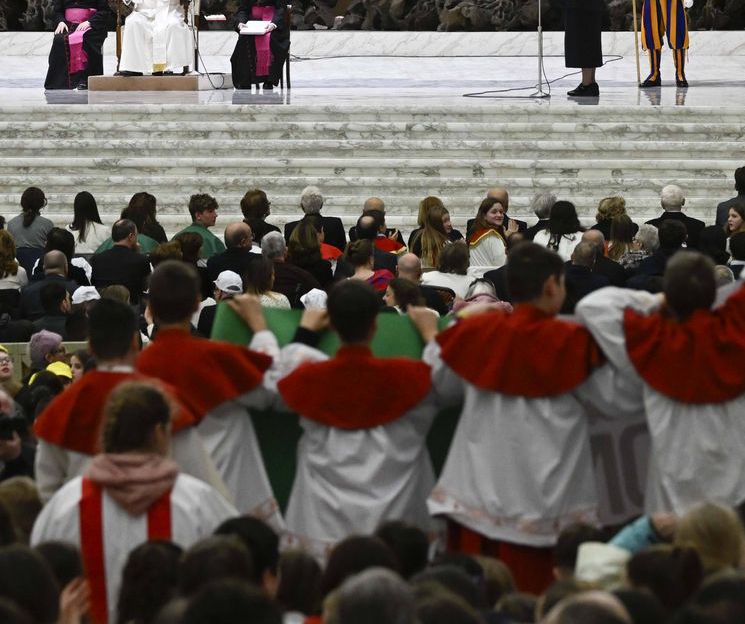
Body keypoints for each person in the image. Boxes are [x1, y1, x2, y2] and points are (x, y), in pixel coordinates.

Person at [575, 153, 745, 514]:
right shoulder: (743, 323)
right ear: (714, 290)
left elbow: (593, 308)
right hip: (743, 499)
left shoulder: (655, 338)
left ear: (670, 293)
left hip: (674, 504)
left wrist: (654, 299)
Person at [422, 241, 639, 593]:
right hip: (554, 505)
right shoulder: (578, 342)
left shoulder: (474, 334)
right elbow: (619, 401)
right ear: (553, 287)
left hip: (479, 498)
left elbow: (438, 385)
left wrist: (459, 319)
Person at [31, 382, 237, 624]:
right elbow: (234, 575)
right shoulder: (198, 502)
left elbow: (38, 584)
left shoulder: (64, 506)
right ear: (160, 432)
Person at [278, 280, 441, 557]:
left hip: (322, 531)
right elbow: (447, 374)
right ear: (375, 325)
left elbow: (281, 369)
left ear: (331, 325)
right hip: (397, 533)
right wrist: (431, 335)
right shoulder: (411, 378)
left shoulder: (307, 380)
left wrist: (305, 330)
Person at [134, 261, 286, 528]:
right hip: (235, 503)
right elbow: (273, 389)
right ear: (196, 304)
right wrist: (261, 329)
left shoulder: (136, 372)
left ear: (151, 309)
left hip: (171, 510)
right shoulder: (216, 358)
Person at [45, 0, 112, 90]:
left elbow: (104, 11)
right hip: (68, 24)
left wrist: (90, 22)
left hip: (91, 25)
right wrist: (61, 22)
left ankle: (85, 80)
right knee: (59, 40)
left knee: (85, 39)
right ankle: (59, 82)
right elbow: (57, 10)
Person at [230, 0, 289, 90]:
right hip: (253, 23)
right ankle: (246, 80)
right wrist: (241, 23)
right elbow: (243, 10)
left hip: (273, 24)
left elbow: (281, 8)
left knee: (271, 39)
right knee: (244, 41)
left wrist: (274, 24)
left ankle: (269, 80)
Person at [173, 194, 225, 259]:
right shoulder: (214, 241)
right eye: (210, 211)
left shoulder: (176, 237)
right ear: (198, 215)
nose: (215, 215)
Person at [468, 197, 508, 268]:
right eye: (494, 212)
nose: (499, 215)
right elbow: (503, 265)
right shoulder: (492, 236)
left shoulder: (477, 232)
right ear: (484, 216)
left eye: (501, 212)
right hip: (489, 278)